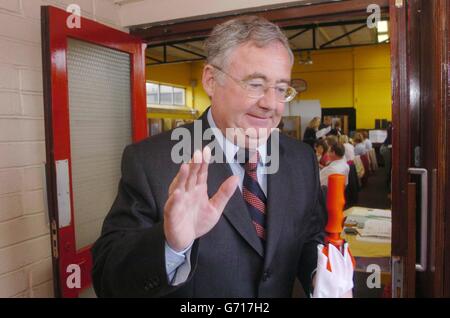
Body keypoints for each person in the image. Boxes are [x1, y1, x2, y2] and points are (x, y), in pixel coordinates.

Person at [92, 16, 326, 298]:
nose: (270, 104)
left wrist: (320, 276)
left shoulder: (300, 159)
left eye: (280, 89)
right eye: (255, 84)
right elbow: (108, 279)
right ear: (211, 80)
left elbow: (311, 236)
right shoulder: (152, 162)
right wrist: (170, 244)